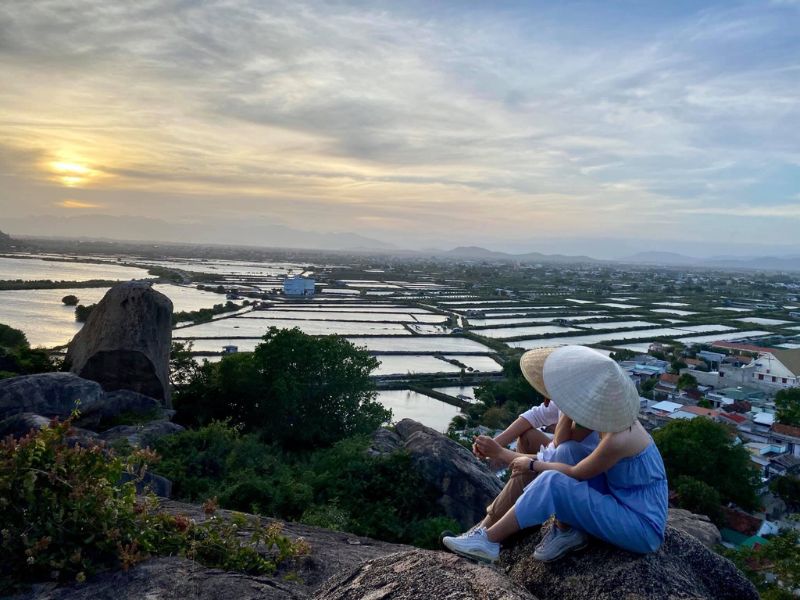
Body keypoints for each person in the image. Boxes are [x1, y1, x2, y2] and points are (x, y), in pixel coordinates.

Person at [443, 345, 668, 563]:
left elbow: (576, 473)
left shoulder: (618, 439)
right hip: (618, 499)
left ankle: (489, 541)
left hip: (642, 527)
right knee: (569, 450)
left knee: (553, 480)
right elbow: (562, 445)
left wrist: (531, 465)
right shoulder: (609, 422)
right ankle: (565, 529)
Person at [463, 347, 599, 532]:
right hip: (562, 459)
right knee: (528, 435)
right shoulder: (568, 399)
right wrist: (498, 442)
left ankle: (486, 528)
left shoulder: (585, 410)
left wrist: (499, 452)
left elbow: (556, 451)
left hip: (579, 470)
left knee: (527, 465)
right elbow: (533, 417)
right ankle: (519, 502)